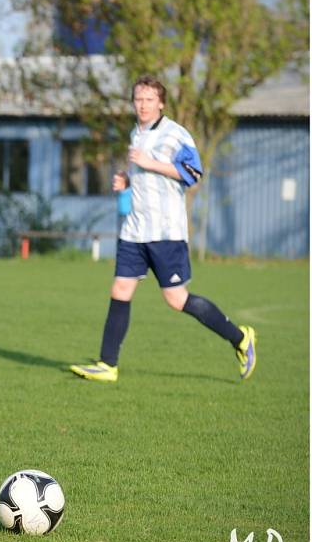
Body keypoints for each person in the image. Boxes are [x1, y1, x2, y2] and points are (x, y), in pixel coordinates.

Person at [69, 75, 257, 383]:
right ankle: (107, 364)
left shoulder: (175, 135)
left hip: (165, 231)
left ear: (161, 103)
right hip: (135, 230)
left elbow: (193, 173)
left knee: (176, 299)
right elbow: (142, 173)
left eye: (148, 100)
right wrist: (127, 180)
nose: (142, 105)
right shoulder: (136, 132)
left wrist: (149, 163)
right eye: (138, 100)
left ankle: (240, 338)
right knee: (120, 289)